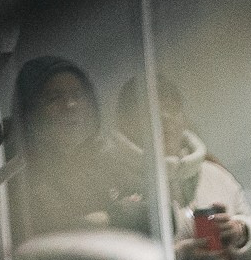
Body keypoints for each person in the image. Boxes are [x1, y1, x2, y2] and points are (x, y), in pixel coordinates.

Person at [113, 77, 251, 260]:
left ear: (183, 119)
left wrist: (241, 233)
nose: (166, 118)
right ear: (127, 124)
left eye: (172, 109)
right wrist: (175, 259)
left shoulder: (216, 176)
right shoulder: (112, 181)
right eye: (152, 111)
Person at [12, 57, 150, 240]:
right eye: (54, 98)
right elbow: (56, 233)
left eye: (77, 95)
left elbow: (161, 213)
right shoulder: (19, 172)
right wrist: (121, 216)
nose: (70, 105)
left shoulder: (107, 158)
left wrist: (105, 218)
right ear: (31, 111)